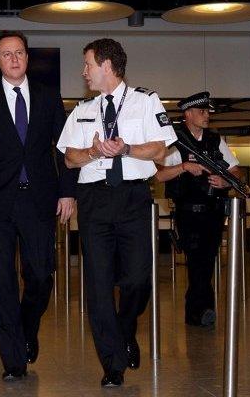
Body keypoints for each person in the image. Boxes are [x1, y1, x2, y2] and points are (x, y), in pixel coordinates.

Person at [56, 38, 176, 387]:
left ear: (107, 65)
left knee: (137, 278)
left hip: (132, 197)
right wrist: (93, 153)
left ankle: (126, 328)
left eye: (87, 65)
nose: (84, 72)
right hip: (94, 201)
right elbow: (68, 157)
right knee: (98, 284)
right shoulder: (82, 109)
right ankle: (113, 364)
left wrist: (126, 148)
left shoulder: (145, 101)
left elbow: (160, 149)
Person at [0, 30, 76, 382]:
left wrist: (67, 191)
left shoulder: (48, 97)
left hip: (39, 198)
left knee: (41, 274)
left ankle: (28, 326)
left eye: (20, 53)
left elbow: (65, 148)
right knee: (1, 281)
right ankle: (13, 359)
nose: (14, 59)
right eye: (6, 54)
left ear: (27, 57)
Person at [156, 91, 241, 327]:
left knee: (208, 259)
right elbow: (159, 175)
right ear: (188, 114)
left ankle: (197, 311)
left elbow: (236, 170)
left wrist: (226, 181)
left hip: (213, 210)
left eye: (208, 112)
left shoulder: (215, 140)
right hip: (188, 212)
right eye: (202, 112)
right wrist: (184, 166)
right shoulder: (175, 141)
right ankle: (203, 310)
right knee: (196, 260)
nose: (207, 116)